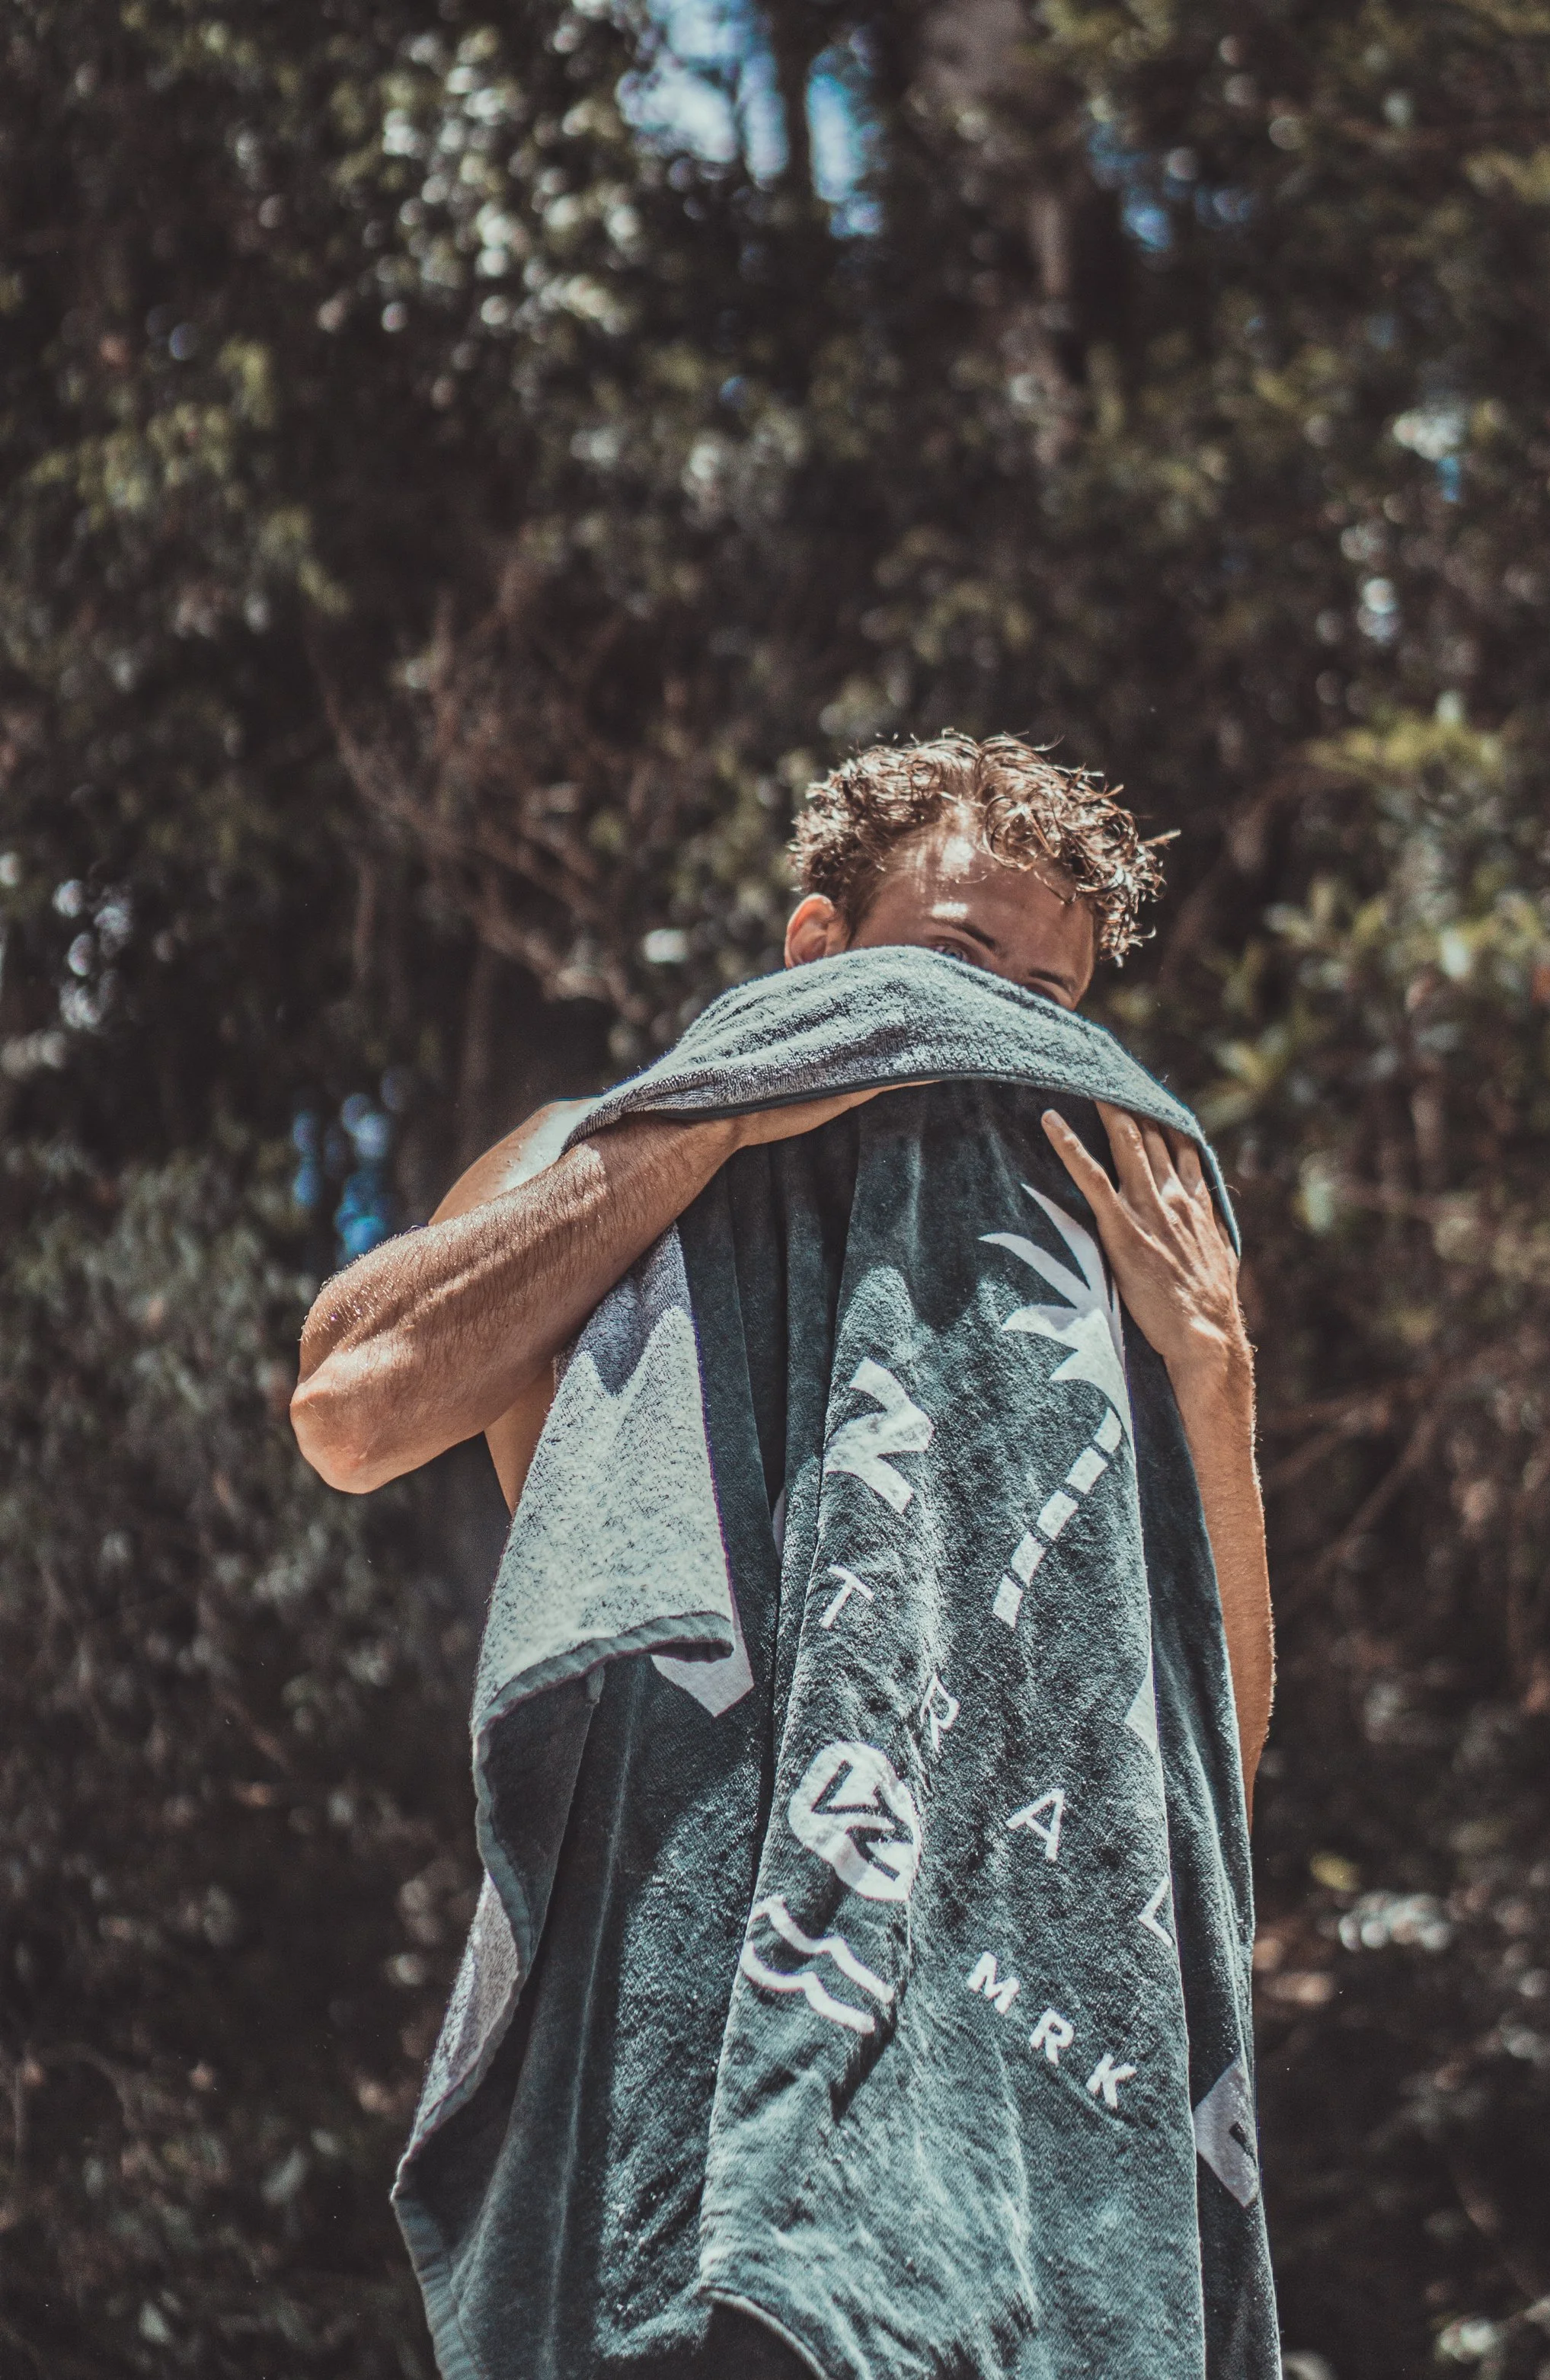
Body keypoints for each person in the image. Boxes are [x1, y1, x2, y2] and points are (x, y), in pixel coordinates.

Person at [292, 735, 1279, 2380]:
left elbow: (1201, 1779)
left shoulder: (1077, 1295)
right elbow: (351, 1405)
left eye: (1046, 997)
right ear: (820, 944)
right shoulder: (610, 1149)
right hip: (683, 2008)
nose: (992, 1026)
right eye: (954, 959)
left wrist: (1212, 1376)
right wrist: (714, 1123)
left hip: (990, 2098)